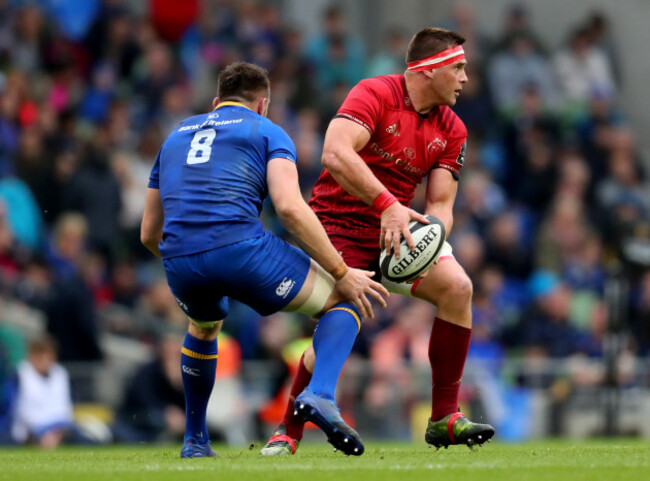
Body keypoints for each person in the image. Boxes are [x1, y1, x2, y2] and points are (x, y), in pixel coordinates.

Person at [261, 27, 495, 456]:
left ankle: (443, 416)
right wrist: (388, 203)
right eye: (458, 68)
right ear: (429, 69)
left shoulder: (453, 128)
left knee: (459, 288)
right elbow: (335, 153)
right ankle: (288, 431)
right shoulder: (375, 93)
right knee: (348, 304)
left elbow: (441, 202)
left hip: (396, 236)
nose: (465, 78)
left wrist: (431, 237)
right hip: (338, 225)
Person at [140, 61, 389, 458]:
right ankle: (321, 393)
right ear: (262, 105)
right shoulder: (267, 131)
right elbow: (289, 209)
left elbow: (149, 232)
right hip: (240, 247)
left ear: (216, 102)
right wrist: (342, 271)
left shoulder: (173, 138)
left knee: (204, 327)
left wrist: (189, 261)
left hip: (179, 258)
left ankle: (195, 441)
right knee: (345, 297)